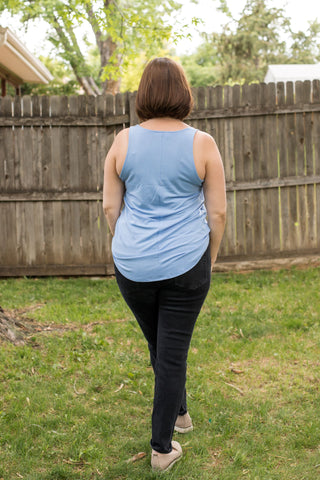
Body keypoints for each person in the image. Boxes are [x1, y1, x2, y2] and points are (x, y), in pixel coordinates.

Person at [103, 57, 226, 472]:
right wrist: (209, 258)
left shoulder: (122, 142)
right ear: (183, 92)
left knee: (161, 344)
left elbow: (108, 206)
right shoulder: (203, 143)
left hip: (131, 265)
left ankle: (181, 415)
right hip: (185, 263)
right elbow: (218, 214)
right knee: (171, 352)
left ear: (144, 94)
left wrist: (128, 244)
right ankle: (161, 449)